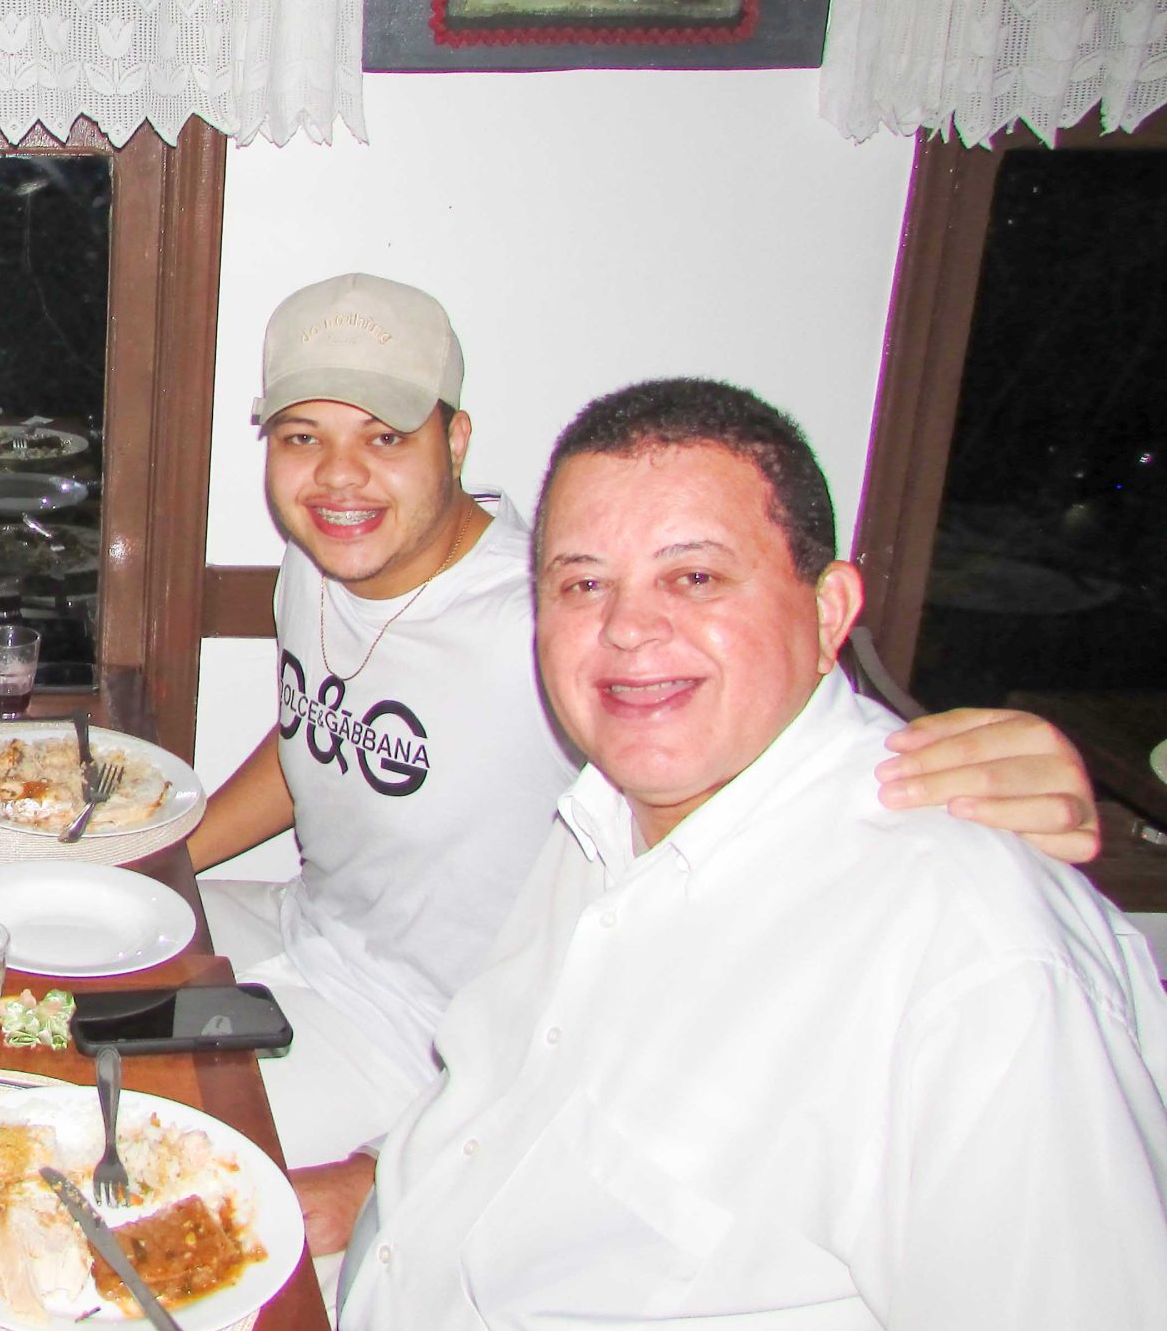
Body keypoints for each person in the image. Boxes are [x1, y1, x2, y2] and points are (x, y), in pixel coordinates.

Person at [314, 378, 1167, 1331]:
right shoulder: (613, 812)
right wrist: (360, 1188)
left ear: (829, 609)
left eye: (696, 577)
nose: (627, 629)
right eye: (582, 584)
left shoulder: (973, 953)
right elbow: (516, 1106)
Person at [188, 274, 1102, 1170]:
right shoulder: (318, 560)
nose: (338, 475)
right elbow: (316, 732)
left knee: (138, 1130)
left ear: (455, 440)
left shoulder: (547, 624)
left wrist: (977, 770)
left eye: (385, 435)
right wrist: (169, 857)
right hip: (310, 929)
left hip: (436, 1042)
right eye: (302, 436)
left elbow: (763, 746)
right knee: (94, 964)